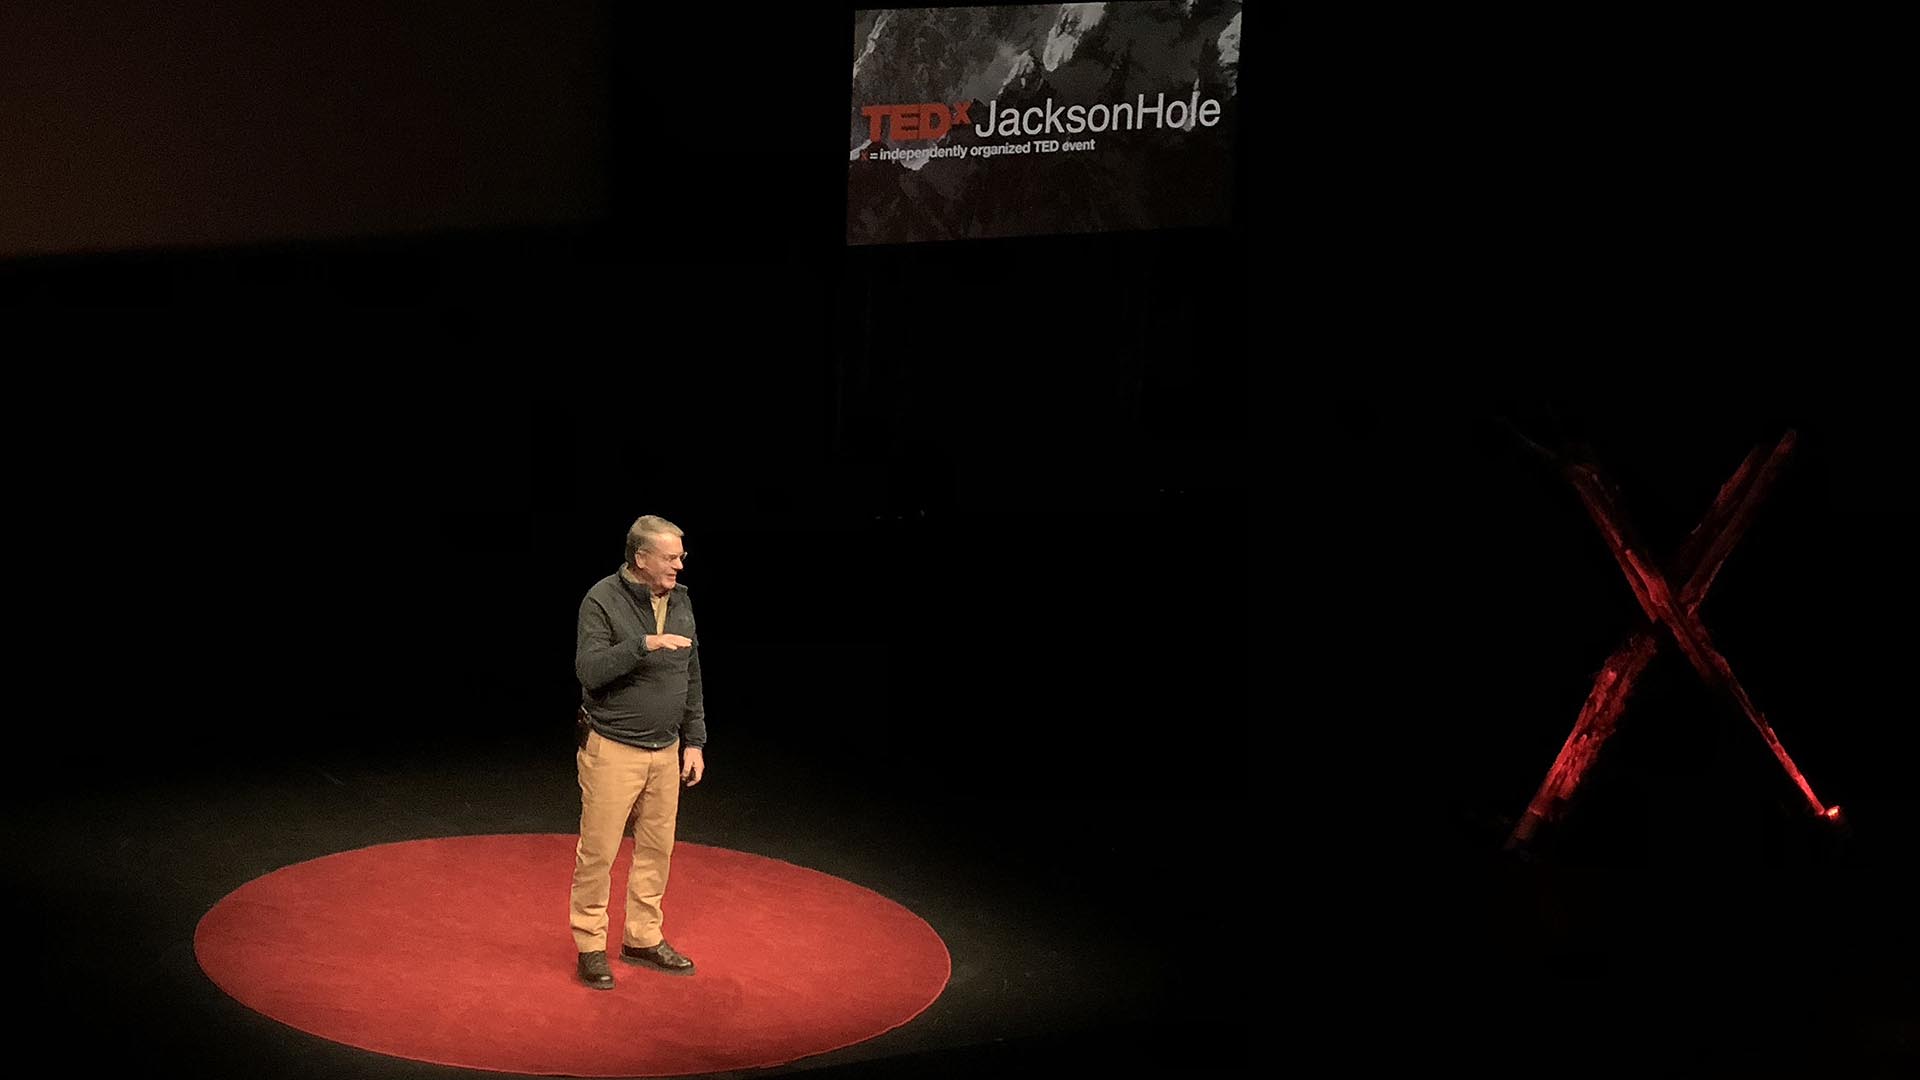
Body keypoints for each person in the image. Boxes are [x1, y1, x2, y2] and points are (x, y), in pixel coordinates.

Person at [568, 514, 707, 989]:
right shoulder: (601, 599)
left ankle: (643, 936)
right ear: (641, 557)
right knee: (599, 853)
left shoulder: (682, 601)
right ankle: (590, 944)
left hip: (666, 752)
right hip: (612, 749)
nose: (680, 565)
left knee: (657, 850)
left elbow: (691, 675)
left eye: (681, 556)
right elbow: (590, 669)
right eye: (672, 557)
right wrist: (643, 644)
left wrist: (696, 741)